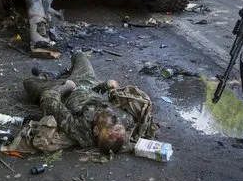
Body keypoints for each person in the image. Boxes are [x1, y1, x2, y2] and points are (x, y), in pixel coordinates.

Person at [19, 51, 157, 154]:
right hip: (88, 82)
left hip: (66, 91)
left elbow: (49, 101)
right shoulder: (123, 120)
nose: (115, 116)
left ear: (95, 130)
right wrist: (107, 86)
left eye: (112, 122)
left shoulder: (80, 129)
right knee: (78, 54)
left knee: (28, 82)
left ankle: (49, 76)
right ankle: (59, 74)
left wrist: (65, 87)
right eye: (118, 122)